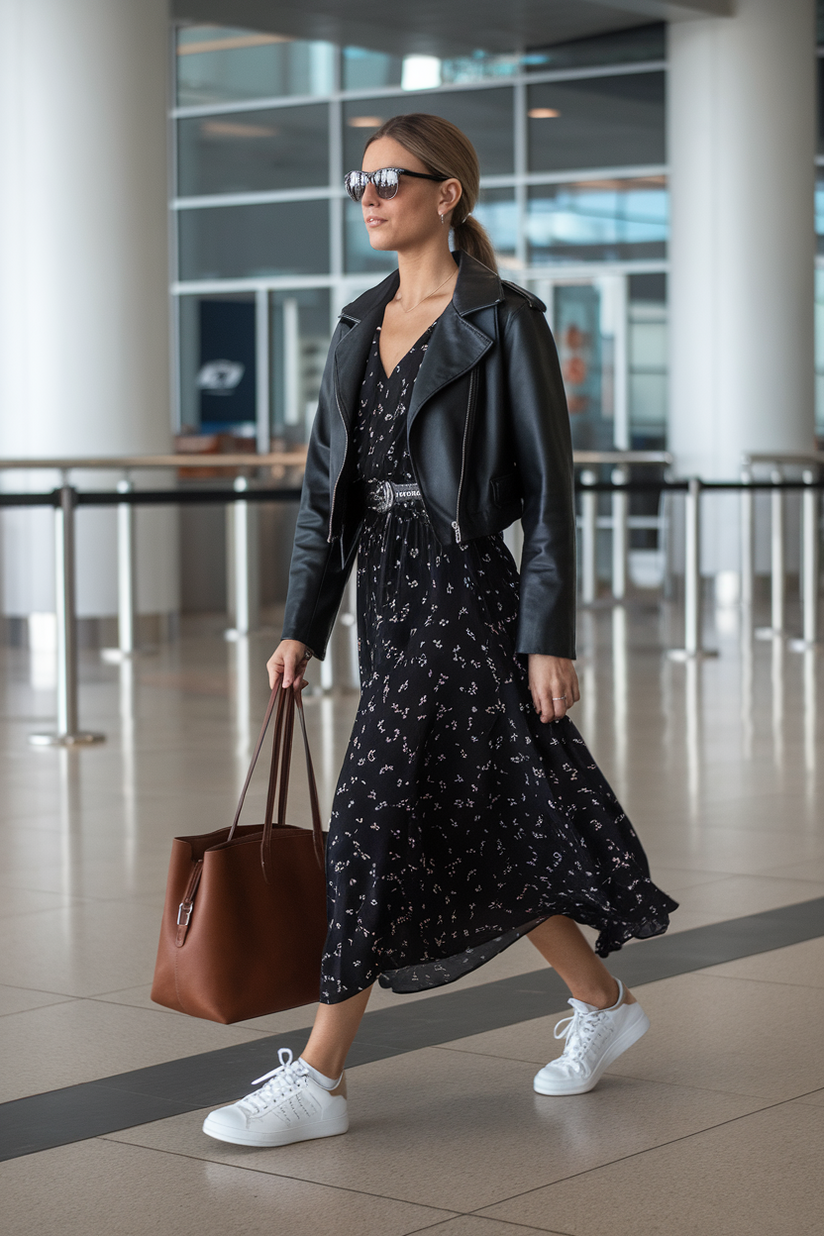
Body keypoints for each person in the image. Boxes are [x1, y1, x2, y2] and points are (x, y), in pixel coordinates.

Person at [202, 113, 677, 1149]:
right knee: (487, 820)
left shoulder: (505, 322)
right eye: (357, 182)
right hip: (386, 594)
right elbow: (329, 495)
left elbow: (551, 494)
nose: (367, 197)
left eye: (386, 179)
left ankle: (319, 1077)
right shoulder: (356, 322)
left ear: (445, 193)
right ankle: (602, 1004)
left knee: (370, 811)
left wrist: (548, 634)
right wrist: (304, 627)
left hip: (468, 593)